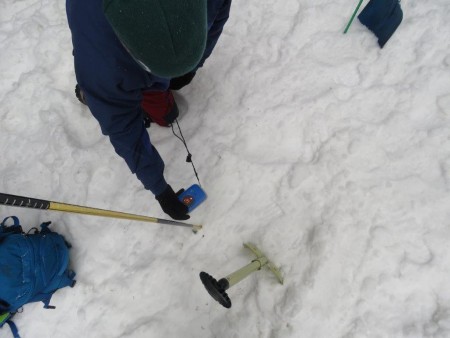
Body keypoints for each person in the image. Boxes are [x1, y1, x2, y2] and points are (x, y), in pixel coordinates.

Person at [66, 0, 231, 220]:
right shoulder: (101, 63)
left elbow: (218, 12)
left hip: (138, 65)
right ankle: (92, 94)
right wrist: (159, 188)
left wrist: (195, 62)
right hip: (113, 68)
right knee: (145, 107)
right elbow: (123, 127)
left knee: (168, 107)